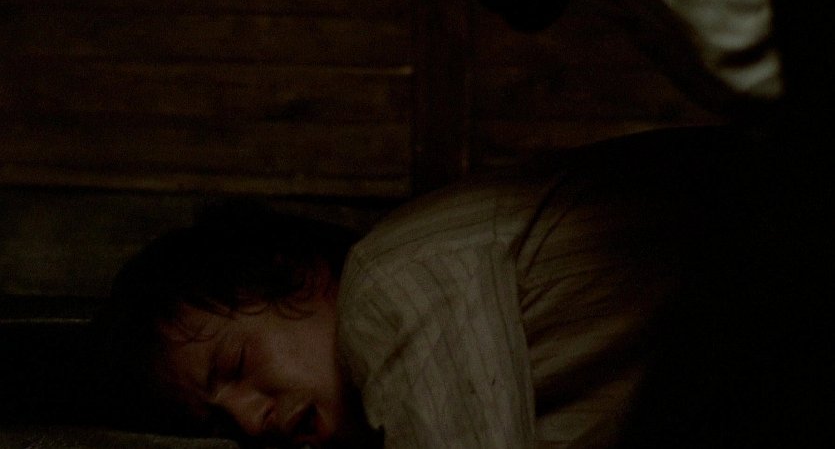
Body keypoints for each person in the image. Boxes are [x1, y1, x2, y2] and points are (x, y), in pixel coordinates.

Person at [96, 126, 753, 449]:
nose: (248, 420)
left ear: (299, 274)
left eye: (237, 364)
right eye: (217, 420)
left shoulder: (390, 280)